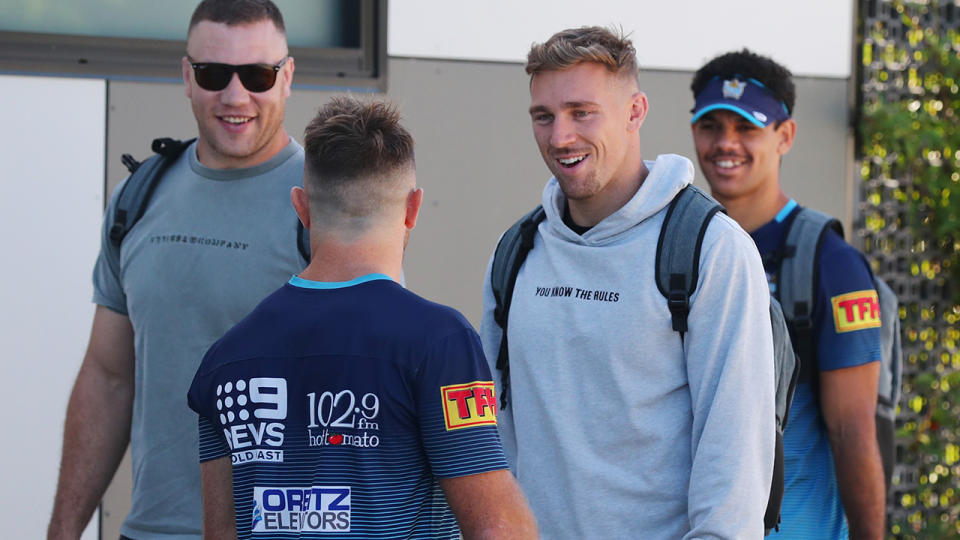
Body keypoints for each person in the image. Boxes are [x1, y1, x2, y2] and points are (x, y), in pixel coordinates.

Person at [186, 96, 538, 540]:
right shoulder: (439, 342)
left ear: (301, 207)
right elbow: (498, 529)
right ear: (413, 208)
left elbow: (221, 534)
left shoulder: (225, 360)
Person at [479, 26, 776, 539]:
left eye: (581, 112)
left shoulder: (712, 250)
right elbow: (495, 437)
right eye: (543, 117)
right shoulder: (515, 252)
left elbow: (734, 459)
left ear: (635, 112)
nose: (560, 137)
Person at [47, 2, 305, 538]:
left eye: (257, 75)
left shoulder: (328, 201)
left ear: (287, 77)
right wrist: (63, 530)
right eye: (213, 74)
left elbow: (375, 383)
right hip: (152, 530)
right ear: (187, 77)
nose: (236, 97)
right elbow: (108, 377)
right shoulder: (138, 198)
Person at [690, 49, 885, 539]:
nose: (725, 144)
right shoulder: (683, 249)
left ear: (785, 136)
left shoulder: (830, 262)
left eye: (746, 128)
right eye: (710, 126)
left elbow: (854, 432)